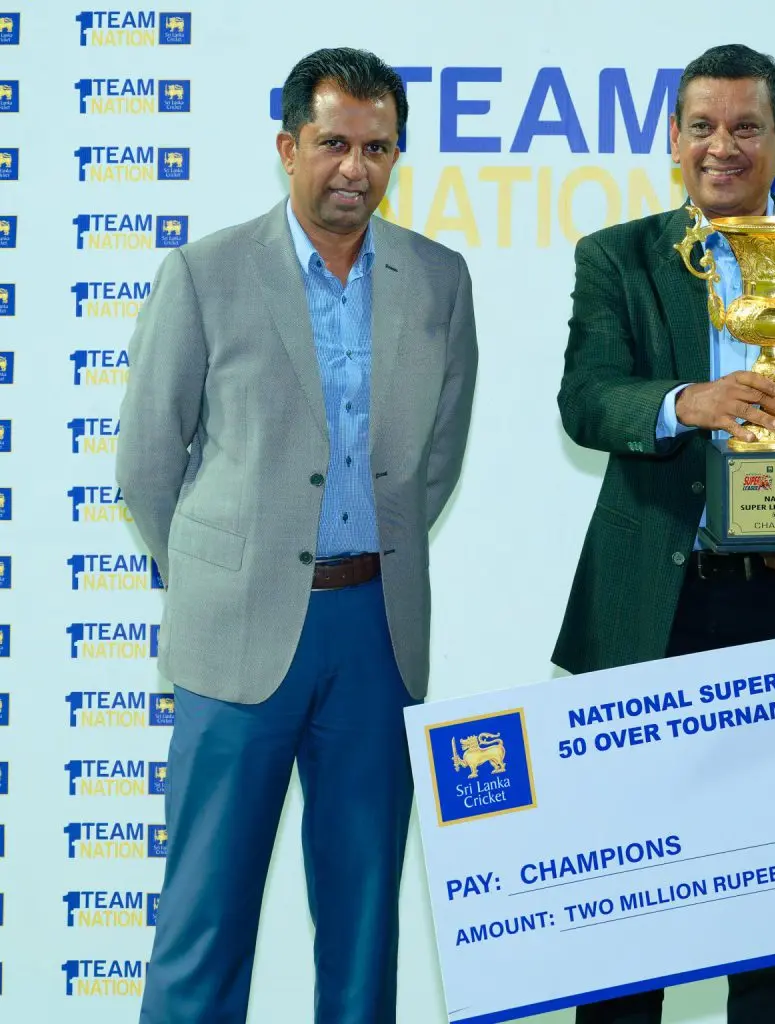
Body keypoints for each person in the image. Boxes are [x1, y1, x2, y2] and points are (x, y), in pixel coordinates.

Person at [116, 47, 478, 1023]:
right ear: (288, 147)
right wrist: (222, 570)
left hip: (377, 635)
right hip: (235, 634)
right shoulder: (205, 273)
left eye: (377, 148)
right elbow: (146, 463)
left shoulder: (438, 280)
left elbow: (434, 460)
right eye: (332, 144)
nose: (354, 168)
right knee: (203, 919)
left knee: (362, 926)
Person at [552, 42, 775, 1024]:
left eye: (747, 127)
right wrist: (684, 402)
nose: (722, 146)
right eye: (701, 126)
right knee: (627, 899)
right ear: (672, 139)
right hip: (652, 608)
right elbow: (586, 399)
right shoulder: (617, 256)